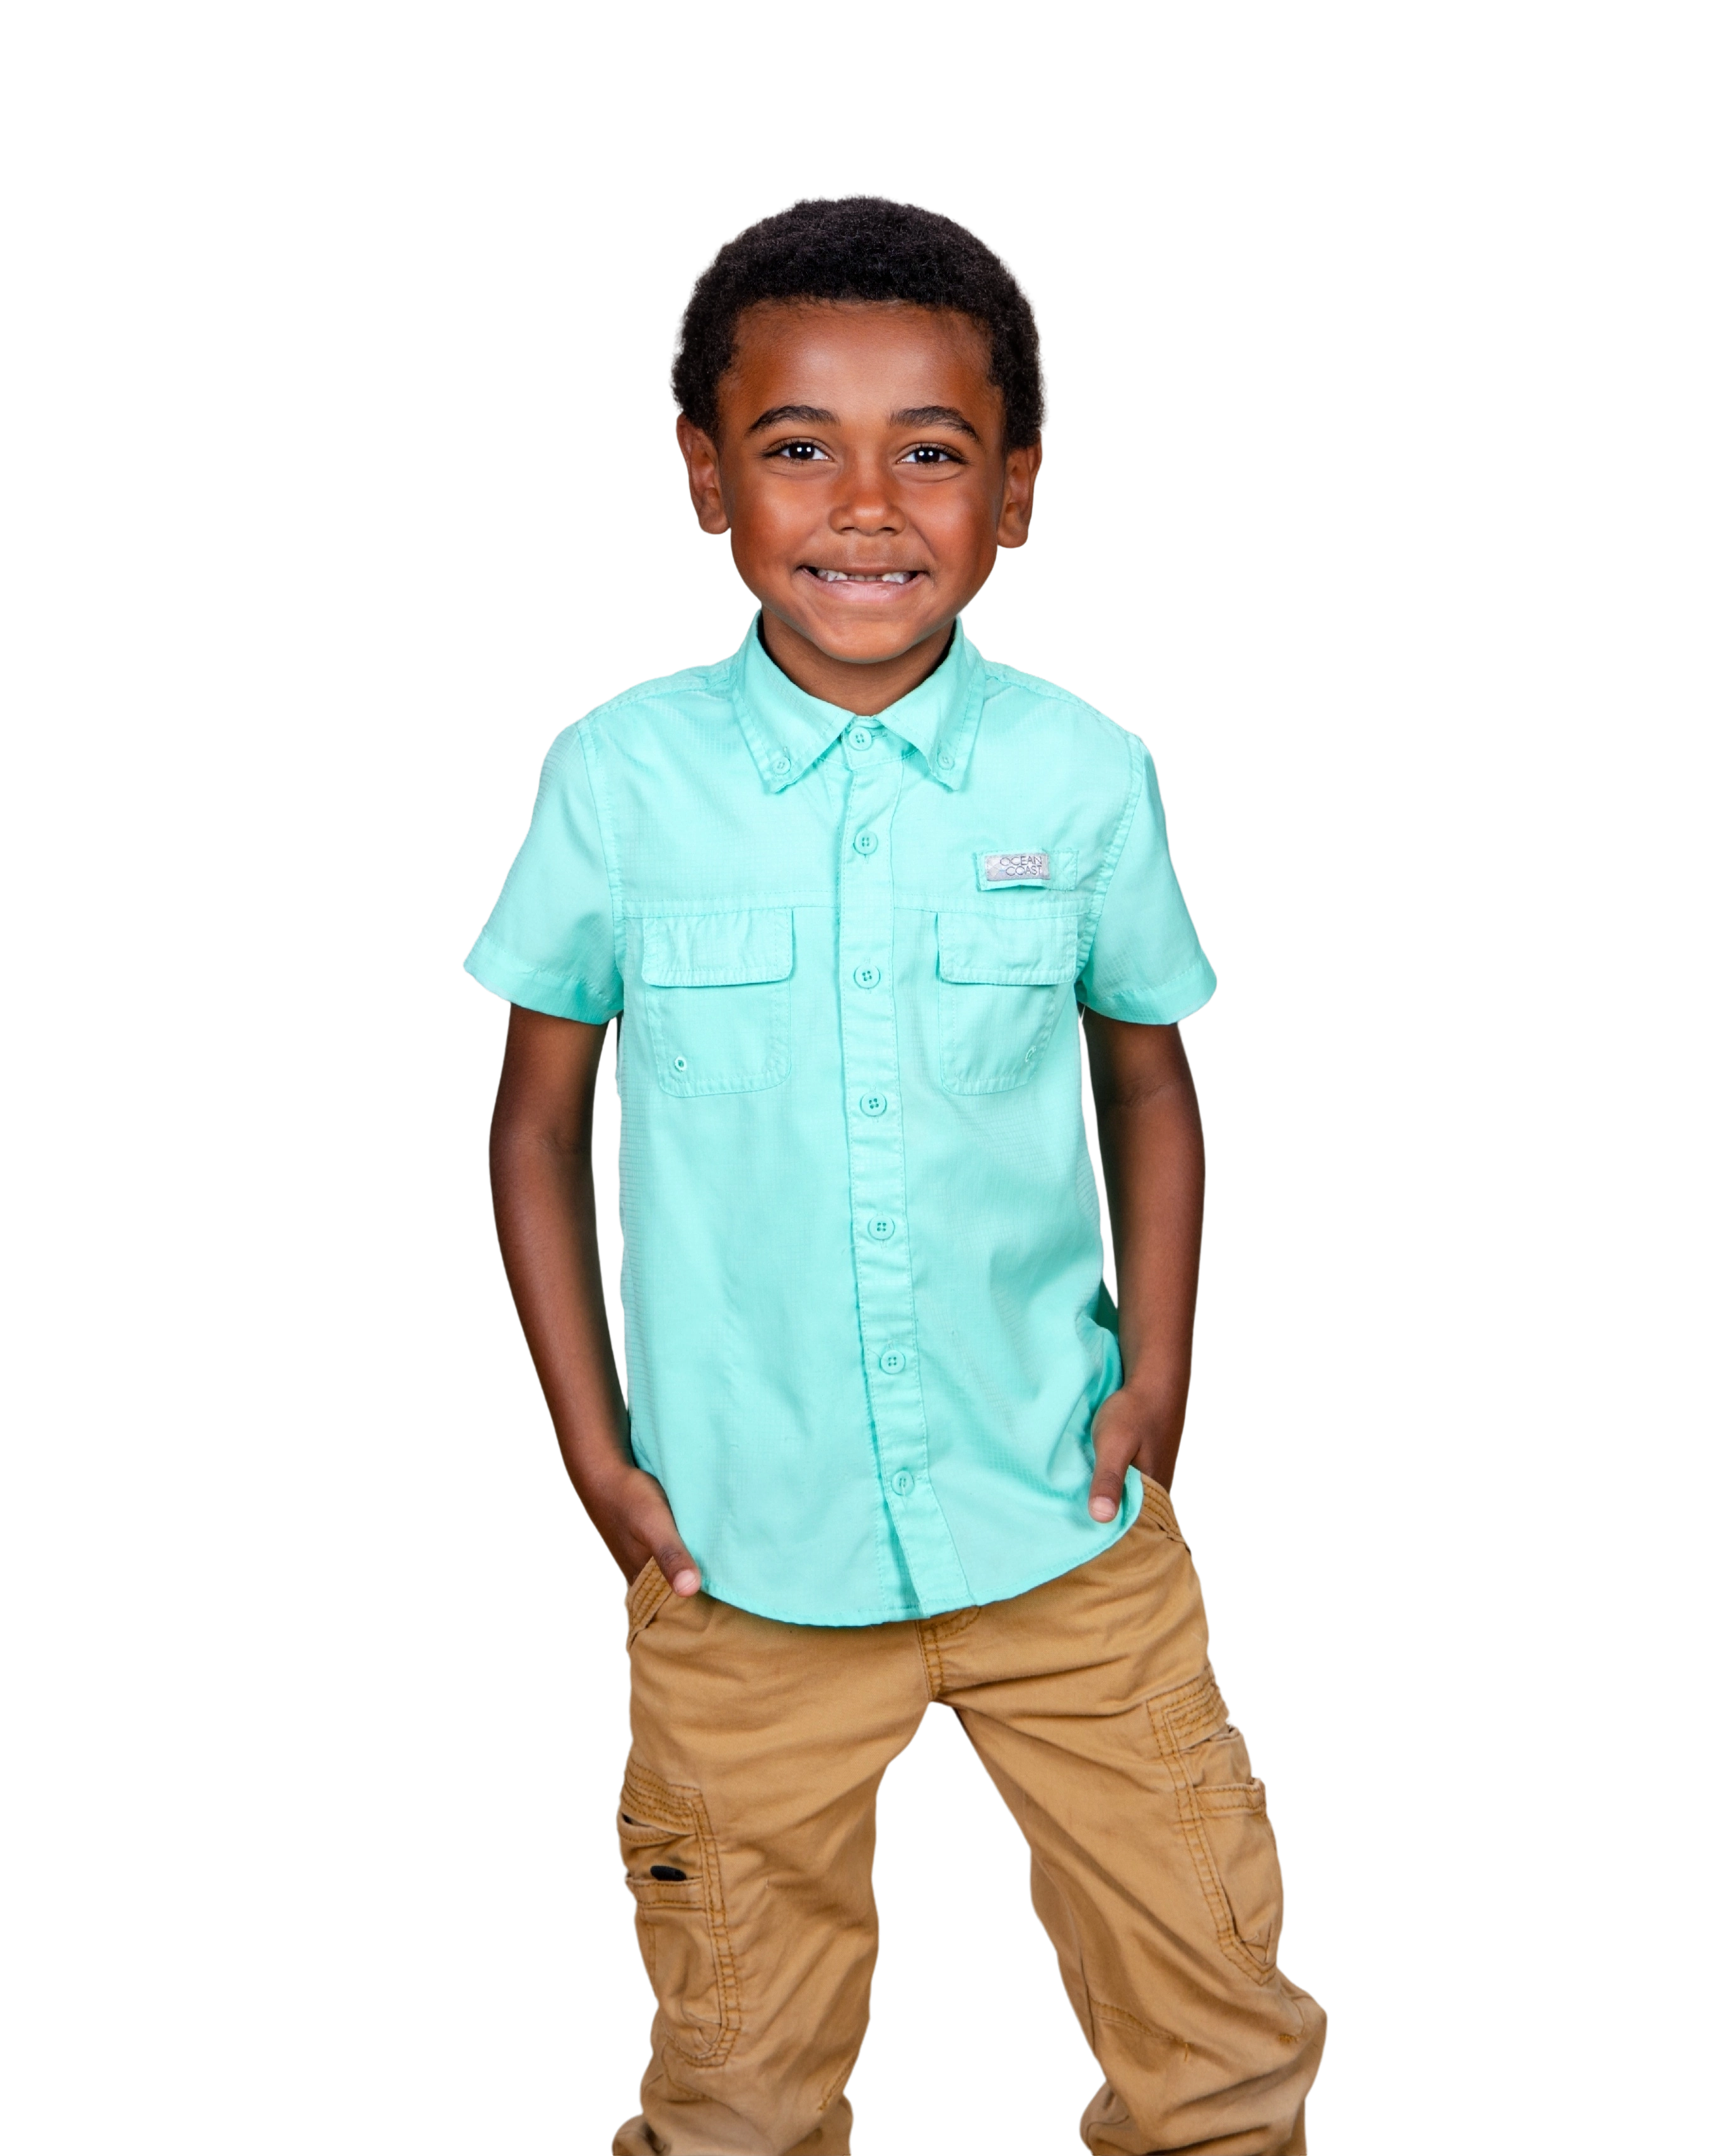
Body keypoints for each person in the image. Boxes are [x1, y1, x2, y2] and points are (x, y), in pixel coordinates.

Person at [460, 190, 1328, 2156]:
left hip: (1062, 1517)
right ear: (704, 476)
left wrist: (1160, 1375)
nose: (867, 507)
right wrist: (595, 1455)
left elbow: (1148, 1083)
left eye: (931, 452)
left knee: (1219, 2041)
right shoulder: (619, 778)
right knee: (737, 2082)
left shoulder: (1083, 776)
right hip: (736, 1552)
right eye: (798, 447)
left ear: (1015, 490)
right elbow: (532, 1123)